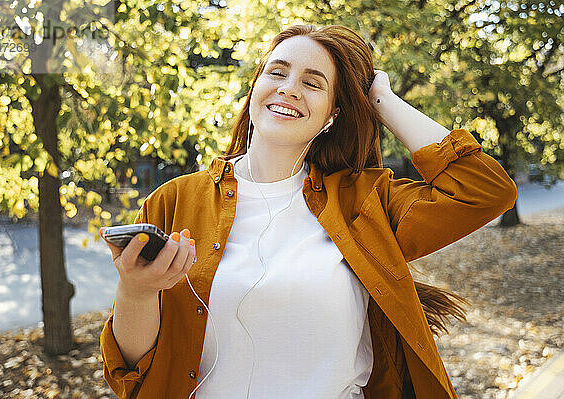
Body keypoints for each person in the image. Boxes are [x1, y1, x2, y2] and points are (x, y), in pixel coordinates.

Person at [99, 24, 517, 399]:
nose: (289, 88)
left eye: (313, 83)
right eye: (276, 73)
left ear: (333, 114)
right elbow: (132, 371)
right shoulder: (176, 200)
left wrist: (383, 100)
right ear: (256, 88)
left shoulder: (362, 201)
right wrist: (136, 289)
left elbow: (485, 190)